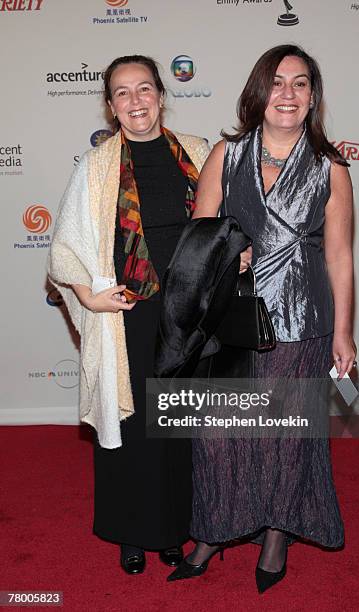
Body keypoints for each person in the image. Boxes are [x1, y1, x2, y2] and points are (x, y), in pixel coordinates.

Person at [168, 44, 356, 593]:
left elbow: (340, 254)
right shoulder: (227, 155)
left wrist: (343, 331)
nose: (288, 94)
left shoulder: (331, 167)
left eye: (300, 84)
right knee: (220, 435)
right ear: (259, 90)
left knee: (286, 436)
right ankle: (212, 532)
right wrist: (231, 246)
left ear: (312, 97)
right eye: (278, 82)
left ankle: (276, 535)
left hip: (303, 317)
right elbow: (199, 234)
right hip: (234, 317)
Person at [48, 55, 211, 574]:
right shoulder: (96, 166)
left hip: (190, 312)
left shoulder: (200, 153)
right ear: (110, 105)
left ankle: (173, 530)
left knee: (180, 424)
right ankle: (131, 533)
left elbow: (227, 223)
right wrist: (89, 297)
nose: (135, 101)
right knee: (133, 422)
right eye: (122, 92)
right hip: (127, 312)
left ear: (162, 96)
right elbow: (65, 247)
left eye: (144, 89)